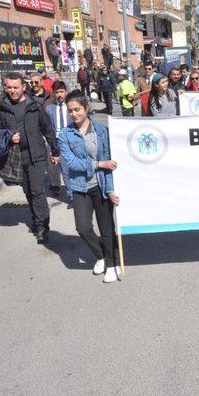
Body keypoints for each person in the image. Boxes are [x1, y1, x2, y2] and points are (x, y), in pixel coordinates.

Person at [0, 72, 60, 244]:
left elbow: (47, 128)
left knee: (37, 191)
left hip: (36, 155)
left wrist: (55, 150)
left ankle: (42, 225)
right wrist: (7, 136)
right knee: (28, 191)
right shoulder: (0, 107)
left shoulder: (35, 105)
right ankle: (36, 218)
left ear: (23, 87)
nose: (12, 91)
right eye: (9, 87)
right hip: (15, 157)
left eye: (16, 87)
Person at [58, 90, 120, 283]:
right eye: (70, 111)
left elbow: (110, 163)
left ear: (86, 108)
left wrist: (110, 191)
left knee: (107, 227)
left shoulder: (102, 131)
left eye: (77, 109)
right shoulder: (65, 135)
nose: (74, 114)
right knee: (83, 228)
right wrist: (98, 164)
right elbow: (72, 163)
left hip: (100, 185)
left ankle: (111, 263)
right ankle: (101, 255)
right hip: (80, 186)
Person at [44, 80, 71, 195]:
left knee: (68, 168)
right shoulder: (49, 108)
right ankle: (55, 185)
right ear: (53, 93)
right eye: (57, 92)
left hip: (69, 140)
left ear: (66, 92)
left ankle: (72, 193)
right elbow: (46, 126)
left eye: (61, 92)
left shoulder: (71, 107)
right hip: (54, 141)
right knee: (52, 165)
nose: (59, 95)